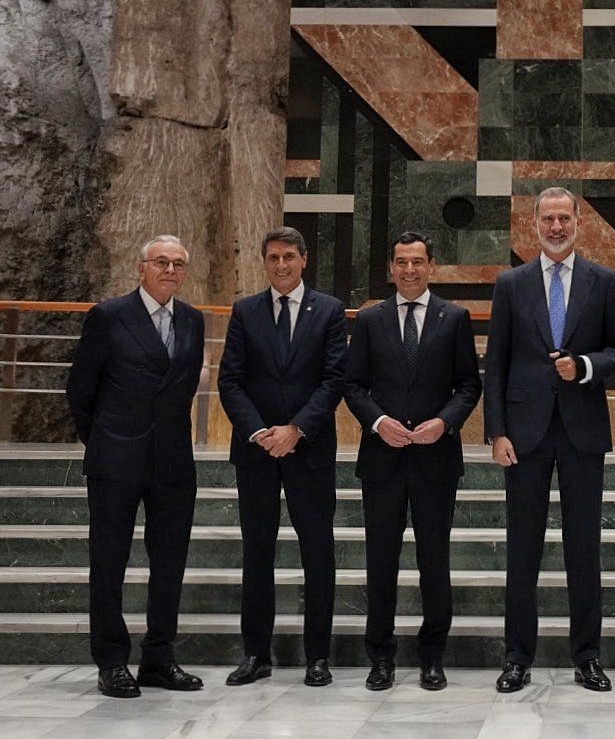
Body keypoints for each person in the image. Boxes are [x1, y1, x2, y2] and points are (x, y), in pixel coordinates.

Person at [484, 186, 615, 693]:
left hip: (581, 432)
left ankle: (588, 656)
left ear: (578, 223)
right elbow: (496, 364)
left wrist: (586, 366)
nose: (555, 227)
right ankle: (516, 658)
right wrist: (496, 430)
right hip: (523, 435)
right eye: (547, 219)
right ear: (534, 225)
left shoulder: (605, 280)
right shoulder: (510, 283)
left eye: (563, 218)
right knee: (522, 549)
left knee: (583, 549)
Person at [66, 235, 206, 698]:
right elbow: (81, 389)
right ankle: (111, 662)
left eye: (178, 264)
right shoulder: (109, 316)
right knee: (109, 563)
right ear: (141, 267)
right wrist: (104, 439)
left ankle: (159, 659)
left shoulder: (192, 320)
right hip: (116, 459)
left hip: (172, 461)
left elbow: (183, 388)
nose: (169, 270)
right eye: (161, 262)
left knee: (170, 563)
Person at [345, 231, 482, 692]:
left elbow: (468, 386)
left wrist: (444, 423)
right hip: (381, 458)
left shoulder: (454, 317)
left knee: (434, 560)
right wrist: (378, 421)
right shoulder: (370, 319)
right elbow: (353, 385)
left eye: (417, 261)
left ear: (431, 266)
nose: (409, 269)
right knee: (380, 561)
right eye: (401, 261)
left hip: (435, 458)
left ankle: (432, 657)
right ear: (390, 268)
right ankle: (380, 657)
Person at [217, 226, 348, 687]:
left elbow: (334, 380)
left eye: (289, 256)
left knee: (318, 553)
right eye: (272, 257)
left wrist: (296, 430)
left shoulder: (329, 310)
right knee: (258, 552)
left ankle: (318, 657)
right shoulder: (245, 311)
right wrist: (258, 432)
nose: (281, 264)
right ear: (264, 261)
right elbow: (229, 380)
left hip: (308, 450)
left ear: (304, 259)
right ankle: (256, 654)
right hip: (256, 452)